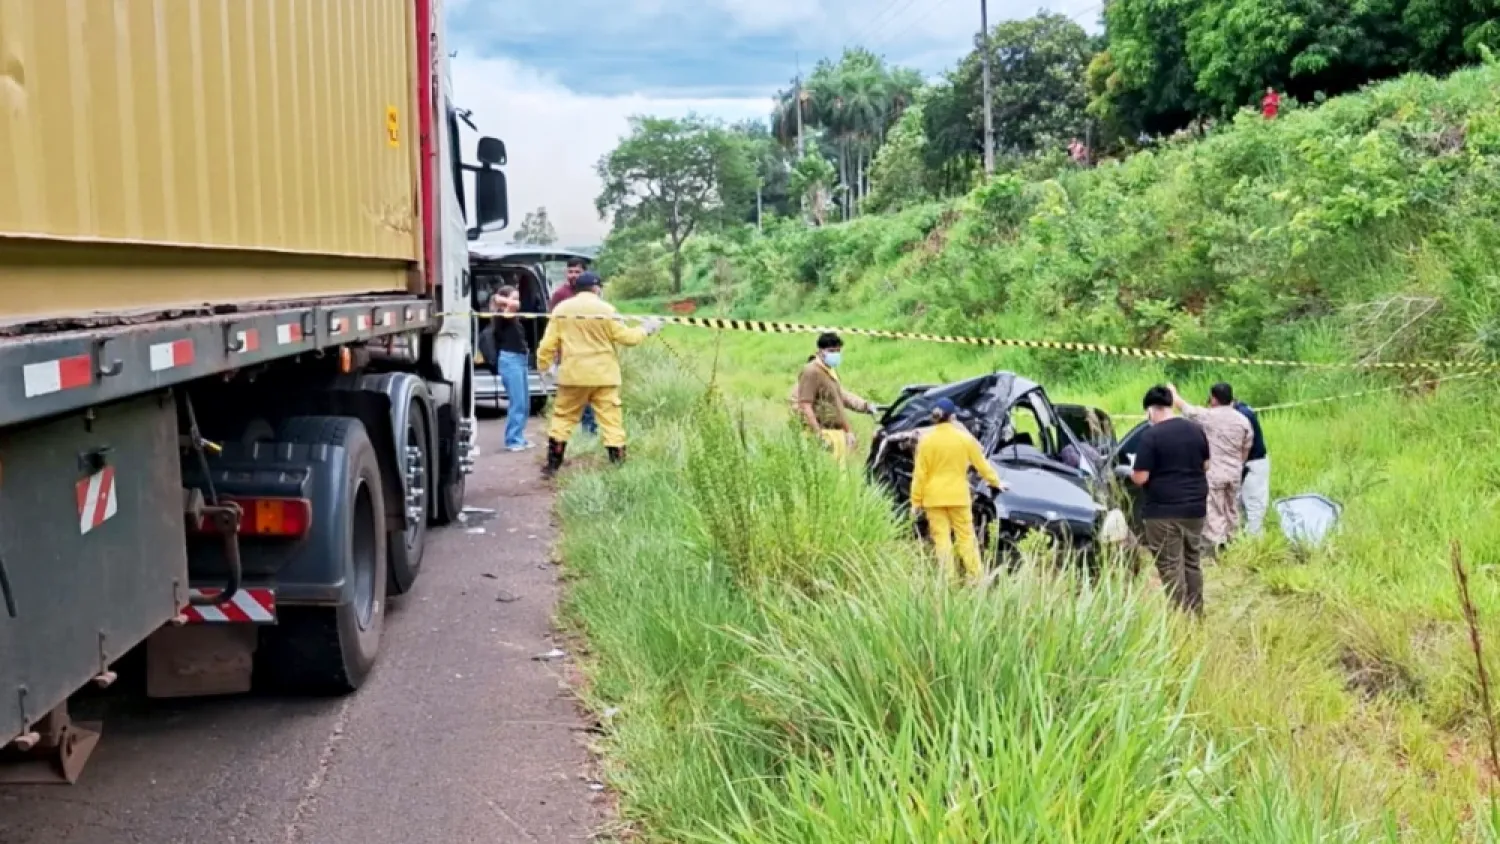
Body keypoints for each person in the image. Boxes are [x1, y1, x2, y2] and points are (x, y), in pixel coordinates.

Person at [535, 272, 661, 477]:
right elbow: (628, 338)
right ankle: (618, 465)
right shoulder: (607, 309)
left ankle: (552, 466)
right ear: (596, 288)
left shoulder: (562, 309)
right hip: (604, 376)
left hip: (573, 375)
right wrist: (647, 328)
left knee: (563, 419)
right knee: (611, 421)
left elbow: (548, 344)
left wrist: (544, 366)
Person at [1132, 386, 1211, 615]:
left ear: (1150, 410)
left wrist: (1132, 472)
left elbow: (1140, 477)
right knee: (1192, 561)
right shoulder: (1196, 430)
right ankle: (1196, 612)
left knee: (1170, 565)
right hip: (1196, 508)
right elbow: (1206, 465)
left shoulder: (1151, 435)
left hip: (1163, 512)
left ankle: (1179, 616)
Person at [911, 398, 1007, 584]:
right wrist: (996, 482)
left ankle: (949, 580)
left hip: (933, 498)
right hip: (958, 497)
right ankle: (976, 577)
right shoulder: (965, 439)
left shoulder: (926, 442)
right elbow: (982, 466)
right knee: (966, 537)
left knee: (942, 540)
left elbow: (919, 475)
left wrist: (915, 502)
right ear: (953, 417)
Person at [1169, 382, 1253, 551]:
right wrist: (1237, 462)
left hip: (1215, 472)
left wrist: (1173, 392)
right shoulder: (1243, 420)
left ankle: (1216, 545)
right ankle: (1234, 540)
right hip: (1235, 471)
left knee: (1214, 508)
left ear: (1214, 399)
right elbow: (1247, 446)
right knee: (1232, 507)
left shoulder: (1209, 416)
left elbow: (1185, 408)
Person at [794, 333, 866, 462]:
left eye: (838, 351)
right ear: (820, 352)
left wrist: (864, 407)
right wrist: (818, 434)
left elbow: (839, 399)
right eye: (831, 351)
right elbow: (805, 404)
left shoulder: (830, 371)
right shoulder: (811, 371)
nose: (835, 355)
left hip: (836, 433)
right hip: (822, 433)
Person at [547, 258, 597, 436]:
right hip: (567, 353)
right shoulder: (560, 295)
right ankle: (576, 433)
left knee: (592, 394)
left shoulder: (593, 293)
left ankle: (588, 432)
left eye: (577, 272)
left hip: (591, 352)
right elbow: (552, 326)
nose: (573, 275)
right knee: (572, 396)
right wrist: (553, 353)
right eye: (570, 272)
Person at [488, 286, 534, 453]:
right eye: (514, 298)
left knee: (524, 402)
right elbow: (497, 298)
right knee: (517, 402)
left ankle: (519, 437)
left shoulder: (513, 317)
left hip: (520, 360)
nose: (517, 302)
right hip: (510, 361)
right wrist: (509, 300)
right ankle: (512, 439)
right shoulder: (502, 316)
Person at [1235, 397, 1271, 536]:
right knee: (1240, 503)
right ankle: (1242, 538)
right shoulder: (1243, 410)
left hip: (1253, 464)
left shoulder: (1242, 415)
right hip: (1246, 464)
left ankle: (1254, 542)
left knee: (1254, 506)